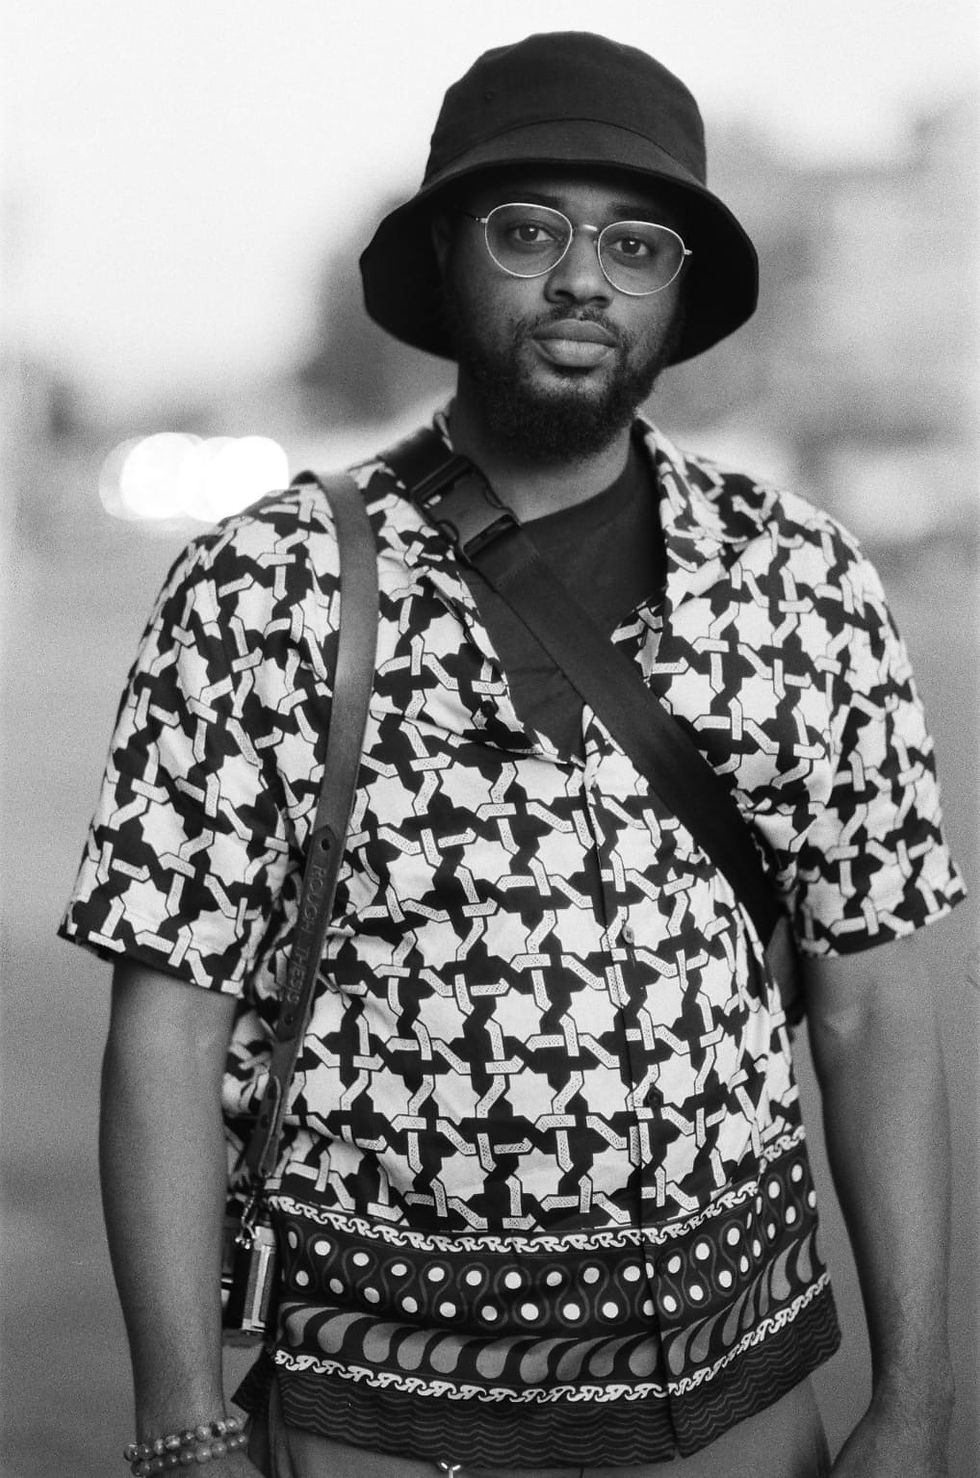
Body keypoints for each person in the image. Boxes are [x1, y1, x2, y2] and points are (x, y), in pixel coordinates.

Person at [61, 30, 965, 1478]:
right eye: (530, 229)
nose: (583, 278)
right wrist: (184, 1425)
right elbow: (167, 1028)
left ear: (677, 289)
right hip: (377, 1416)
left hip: (738, 1408)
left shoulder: (804, 580)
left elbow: (873, 1003)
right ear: (448, 253)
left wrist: (915, 1406)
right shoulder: (267, 585)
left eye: (636, 243)